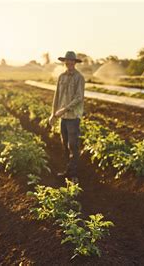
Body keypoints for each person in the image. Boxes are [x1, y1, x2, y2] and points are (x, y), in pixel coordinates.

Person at [48, 51, 85, 182]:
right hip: (63, 118)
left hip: (73, 117)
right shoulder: (61, 77)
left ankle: (74, 174)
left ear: (75, 62)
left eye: (71, 61)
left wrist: (63, 110)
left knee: (73, 145)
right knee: (64, 145)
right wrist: (53, 114)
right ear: (65, 62)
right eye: (67, 61)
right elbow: (56, 96)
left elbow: (79, 98)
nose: (69, 63)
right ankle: (67, 171)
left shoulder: (79, 77)